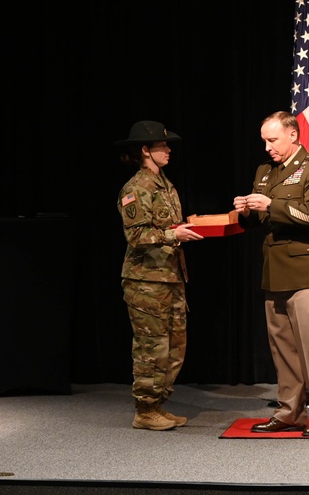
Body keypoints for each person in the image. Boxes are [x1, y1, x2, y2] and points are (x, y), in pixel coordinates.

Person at [233, 111, 309, 436]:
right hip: (276, 271)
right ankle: (289, 411)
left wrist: (270, 206)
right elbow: (262, 221)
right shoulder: (265, 172)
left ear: (293, 135)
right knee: (283, 348)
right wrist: (247, 213)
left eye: (273, 139)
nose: (267, 147)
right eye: (264, 141)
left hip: (308, 270)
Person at [116, 120, 203, 431]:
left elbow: (167, 226)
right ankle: (145, 409)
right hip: (146, 282)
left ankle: (158, 403)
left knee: (175, 345)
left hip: (170, 277)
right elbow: (136, 236)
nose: (168, 150)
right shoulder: (136, 188)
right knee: (151, 347)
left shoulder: (164, 184)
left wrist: (187, 225)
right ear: (145, 150)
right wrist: (172, 234)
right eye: (162, 146)